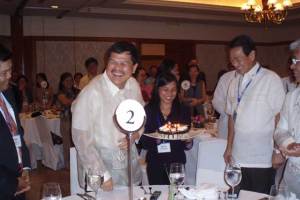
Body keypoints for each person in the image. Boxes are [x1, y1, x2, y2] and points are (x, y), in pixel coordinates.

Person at [72, 41, 144, 191]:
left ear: (134, 67)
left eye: (124, 63)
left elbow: (141, 115)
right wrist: (102, 175)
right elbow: (81, 139)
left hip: (128, 162)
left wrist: (136, 134)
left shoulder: (133, 85)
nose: (117, 68)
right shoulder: (91, 92)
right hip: (101, 165)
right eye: (113, 62)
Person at [223, 35, 285, 194]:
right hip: (237, 158)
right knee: (238, 196)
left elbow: (280, 118)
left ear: (251, 55)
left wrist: (279, 151)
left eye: (238, 59)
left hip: (262, 159)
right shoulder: (234, 82)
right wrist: (229, 147)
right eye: (232, 60)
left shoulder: (271, 79)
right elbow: (232, 117)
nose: (234, 64)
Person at [138, 73, 192, 185]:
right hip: (155, 162)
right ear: (158, 89)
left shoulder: (183, 110)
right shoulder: (148, 110)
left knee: (176, 195)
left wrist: (188, 141)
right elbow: (143, 142)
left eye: (173, 90)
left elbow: (187, 144)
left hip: (176, 162)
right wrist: (158, 139)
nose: (170, 94)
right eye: (165, 89)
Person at [0, 44, 31, 199]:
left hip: (18, 178)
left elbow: (17, 132)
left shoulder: (9, 93)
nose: (9, 76)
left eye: (10, 70)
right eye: (3, 73)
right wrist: (12, 183)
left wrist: (24, 166)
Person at [274, 38, 300, 198]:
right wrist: (289, 144)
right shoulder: (291, 97)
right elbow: (280, 130)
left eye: (296, 61)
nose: (291, 66)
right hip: (292, 175)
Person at [56, 72, 80, 169]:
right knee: (67, 143)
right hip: (66, 120)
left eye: (71, 80)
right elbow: (66, 102)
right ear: (62, 82)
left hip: (77, 120)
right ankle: (68, 165)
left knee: (76, 142)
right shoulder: (60, 93)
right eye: (67, 80)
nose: (69, 82)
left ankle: (77, 164)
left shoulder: (77, 91)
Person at [212, 68, 235, 139]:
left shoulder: (259, 78)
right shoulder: (225, 77)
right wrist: (229, 112)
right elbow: (216, 101)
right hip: (226, 123)